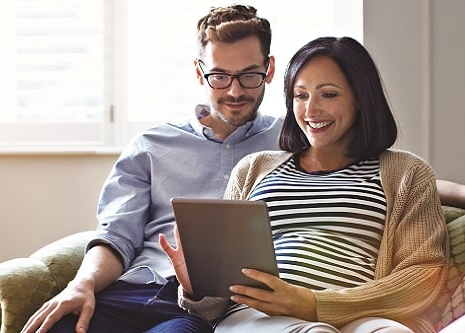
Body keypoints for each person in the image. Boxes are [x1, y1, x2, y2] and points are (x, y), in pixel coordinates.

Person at [21, 4, 282, 333]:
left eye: (249, 75)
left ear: (269, 70)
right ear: (199, 71)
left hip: (193, 309)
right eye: (219, 76)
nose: (234, 90)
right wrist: (82, 284)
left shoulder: (290, 142)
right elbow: (117, 235)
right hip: (129, 291)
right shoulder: (152, 144)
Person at [161, 37, 450, 333]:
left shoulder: (406, 173)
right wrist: (198, 285)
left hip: (363, 314)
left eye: (328, 94)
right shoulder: (253, 169)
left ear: (362, 99)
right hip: (260, 316)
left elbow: (423, 276)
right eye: (301, 96)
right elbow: (213, 307)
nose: (311, 110)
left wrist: (315, 304)